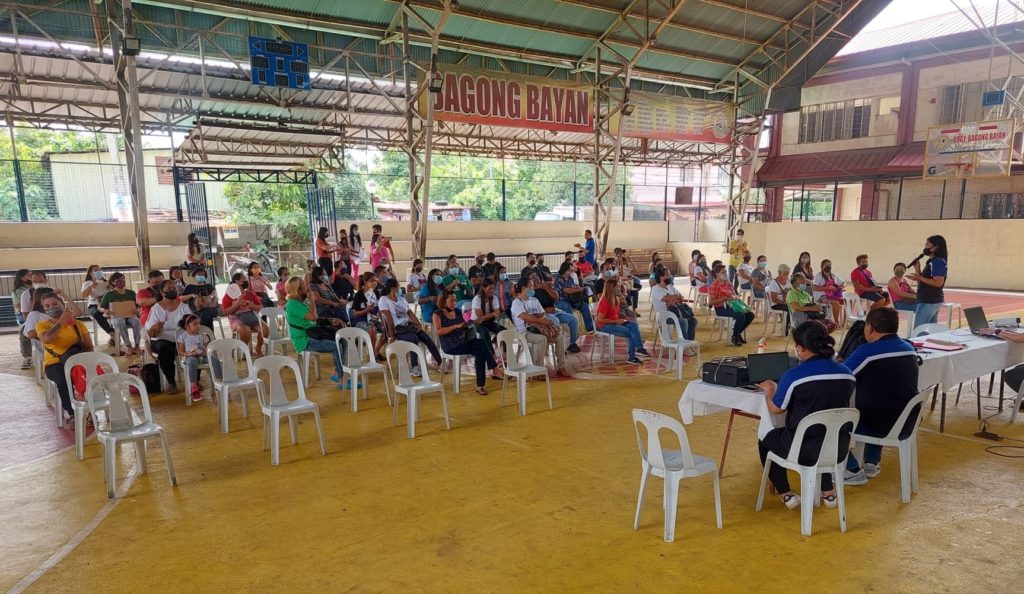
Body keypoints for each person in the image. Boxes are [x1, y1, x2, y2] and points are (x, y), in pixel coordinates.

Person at [756, 322, 855, 510]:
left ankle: (785, 493)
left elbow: (777, 409)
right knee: (823, 433)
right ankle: (828, 491)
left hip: (802, 449)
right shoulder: (847, 373)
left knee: (765, 438)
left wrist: (770, 391)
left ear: (800, 348)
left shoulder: (794, 375)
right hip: (838, 448)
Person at [840, 308, 920, 485]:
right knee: (884, 402)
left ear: (869, 328)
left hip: (877, 423)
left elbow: (840, 377)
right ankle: (872, 461)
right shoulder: (909, 348)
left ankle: (851, 469)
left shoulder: (868, 351)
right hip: (906, 421)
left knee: (833, 419)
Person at [36, 291, 94, 424]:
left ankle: (91, 409)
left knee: (91, 376)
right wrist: (61, 322)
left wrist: (83, 360)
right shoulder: (42, 325)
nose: (51, 307)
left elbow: (89, 346)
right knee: (63, 380)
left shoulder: (77, 324)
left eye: (55, 304)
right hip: (55, 363)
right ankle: (72, 413)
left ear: (63, 305)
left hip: (76, 359)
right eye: (47, 306)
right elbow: (47, 339)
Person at [433, 290, 503, 395]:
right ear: (444, 301)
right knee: (481, 344)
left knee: (480, 351)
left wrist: (469, 325)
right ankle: (494, 368)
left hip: (463, 341)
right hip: (450, 345)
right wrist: (455, 326)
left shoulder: (457, 311)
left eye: (455, 301)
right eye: (451, 301)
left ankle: (480, 386)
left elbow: (463, 325)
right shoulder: (437, 314)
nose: (454, 303)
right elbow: (439, 331)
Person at [283, 277, 347, 386]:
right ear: (298, 290)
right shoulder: (293, 304)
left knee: (343, 341)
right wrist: (311, 299)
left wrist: (330, 321)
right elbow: (313, 317)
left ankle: (337, 372)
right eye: (304, 285)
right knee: (336, 346)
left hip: (312, 334)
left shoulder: (301, 302)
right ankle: (341, 378)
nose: (306, 287)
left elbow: (314, 319)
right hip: (304, 340)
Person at [379, 278, 441, 377]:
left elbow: (410, 313)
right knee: (413, 338)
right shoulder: (384, 300)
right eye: (398, 286)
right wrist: (391, 335)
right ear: (393, 288)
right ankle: (414, 366)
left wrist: (418, 324)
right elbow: (388, 319)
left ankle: (440, 361)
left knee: (426, 337)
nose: (400, 288)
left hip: (408, 326)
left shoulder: (401, 299)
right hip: (397, 329)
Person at [144, 281, 193, 394]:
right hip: (160, 340)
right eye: (169, 289)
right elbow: (150, 334)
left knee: (194, 345)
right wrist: (156, 327)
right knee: (165, 348)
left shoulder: (184, 307)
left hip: (180, 340)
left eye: (174, 289)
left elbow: (192, 324)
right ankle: (171, 382)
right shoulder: (156, 308)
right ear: (162, 292)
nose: (173, 291)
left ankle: (195, 380)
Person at [510, 279, 567, 374]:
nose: (533, 289)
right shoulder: (517, 302)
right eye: (531, 286)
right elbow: (525, 317)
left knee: (559, 337)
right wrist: (540, 320)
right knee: (542, 339)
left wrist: (537, 319)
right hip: (524, 333)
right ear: (523, 288)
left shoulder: (534, 300)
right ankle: (538, 368)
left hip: (539, 329)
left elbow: (543, 313)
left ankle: (561, 366)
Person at [596, 278, 648, 365]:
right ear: (611, 288)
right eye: (617, 287)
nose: (619, 288)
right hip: (605, 326)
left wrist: (625, 317)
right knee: (631, 332)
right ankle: (632, 356)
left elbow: (615, 313)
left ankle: (639, 348)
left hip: (615, 322)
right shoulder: (605, 301)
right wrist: (615, 321)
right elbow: (600, 319)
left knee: (633, 325)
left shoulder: (616, 298)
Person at [531, 271, 580, 355]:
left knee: (573, 319)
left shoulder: (545, 288)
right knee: (555, 321)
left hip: (555, 312)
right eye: (533, 278)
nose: (536, 280)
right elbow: (533, 310)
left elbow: (556, 297)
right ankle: (558, 348)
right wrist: (545, 310)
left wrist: (545, 287)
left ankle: (572, 344)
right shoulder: (531, 293)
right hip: (543, 314)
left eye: (537, 278)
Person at [176, 313, 220, 402]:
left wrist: (204, 352)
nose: (198, 326)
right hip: (190, 357)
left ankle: (219, 382)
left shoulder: (203, 336)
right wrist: (189, 354)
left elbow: (209, 349)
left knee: (215, 360)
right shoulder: (183, 337)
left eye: (199, 323)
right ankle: (194, 386)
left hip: (203, 356)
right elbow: (180, 351)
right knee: (192, 362)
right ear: (187, 326)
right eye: (195, 324)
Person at [709, 263, 755, 346]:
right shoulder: (714, 286)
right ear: (717, 274)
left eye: (726, 272)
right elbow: (711, 302)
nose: (725, 274)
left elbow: (734, 294)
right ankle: (734, 337)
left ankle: (737, 333)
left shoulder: (728, 283)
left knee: (750, 315)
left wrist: (735, 297)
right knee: (740, 316)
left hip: (733, 305)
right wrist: (725, 298)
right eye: (723, 272)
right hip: (721, 308)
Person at [221, 272, 266, 356]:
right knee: (245, 330)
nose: (246, 281)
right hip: (236, 319)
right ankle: (245, 351)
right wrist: (237, 304)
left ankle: (258, 348)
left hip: (251, 317)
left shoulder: (250, 294)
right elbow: (225, 312)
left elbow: (260, 307)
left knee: (265, 329)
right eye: (243, 279)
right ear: (237, 281)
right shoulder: (228, 296)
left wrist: (250, 305)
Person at [907, 235, 947, 326]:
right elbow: (922, 282)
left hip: (929, 300)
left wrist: (919, 277)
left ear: (935, 247)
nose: (925, 247)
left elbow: (938, 283)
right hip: (927, 299)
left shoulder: (938, 262)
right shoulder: (931, 261)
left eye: (927, 245)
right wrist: (917, 269)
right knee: (929, 330)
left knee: (919, 330)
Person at [650, 266, 697, 341]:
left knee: (693, 320)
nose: (670, 277)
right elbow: (666, 298)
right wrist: (677, 298)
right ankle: (684, 342)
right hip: (664, 316)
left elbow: (681, 298)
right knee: (683, 321)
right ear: (661, 277)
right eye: (667, 275)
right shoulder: (655, 289)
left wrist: (674, 301)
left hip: (676, 313)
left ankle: (689, 342)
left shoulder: (670, 287)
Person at [100, 272, 142, 355]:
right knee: (120, 322)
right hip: (117, 316)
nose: (121, 282)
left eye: (123, 279)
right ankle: (128, 346)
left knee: (136, 322)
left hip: (131, 316)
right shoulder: (109, 295)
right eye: (118, 280)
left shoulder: (131, 293)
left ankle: (137, 345)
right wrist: (106, 311)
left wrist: (138, 310)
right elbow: (101, 307)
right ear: (113, 282)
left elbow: (139, 305)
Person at [350, 273, 385, 362]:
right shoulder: (359, 295)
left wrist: (383, 321)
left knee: (387, 330)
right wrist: (365, 310)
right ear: (365, 282)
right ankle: (372, 355)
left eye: (375, 281)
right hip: (360, 320)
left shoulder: (375, 293)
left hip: (373, 319)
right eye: (372, 281)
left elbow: (379, 309)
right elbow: (354, 314)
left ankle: (376, 350)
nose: (375, 283)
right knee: (371, 329)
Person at [553, 261, 595, 335]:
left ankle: (590, 328)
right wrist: (579, 289)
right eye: (570, 270)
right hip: (561, 300)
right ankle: (573, 330)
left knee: (584, 305)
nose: (571, 272)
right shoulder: (558, 278)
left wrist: (577, 288)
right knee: (567, 306)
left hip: (571, 299)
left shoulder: (570, 278)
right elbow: (566, 290)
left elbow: (572, 288)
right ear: (565, 270)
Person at [80, 265, 114, 346]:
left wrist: (111, 287)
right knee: (96, 314)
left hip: (106, 303)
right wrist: (91, 286)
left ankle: (114, 337)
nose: (98, 272)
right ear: (90, 273)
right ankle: (112, 334)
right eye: (95, 270)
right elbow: (84, 295)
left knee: (115, 312)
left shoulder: (106, 282)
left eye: (100, 270)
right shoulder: (87, 283)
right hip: (93, 304)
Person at [181, 266, 219, 331]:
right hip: (195, 310)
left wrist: (208, 299)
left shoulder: (208, 286)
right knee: (203, 314)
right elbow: (181, 298)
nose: (201, 276)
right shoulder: (189, 287)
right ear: (194, 275)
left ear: (205, 277)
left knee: (205, 312)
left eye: (202, 274)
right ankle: (209, 334)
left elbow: (215, 296)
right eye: (198, 274)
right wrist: (191, 295)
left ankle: (201, 332)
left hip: (210, 308)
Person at [471, 278, 504, 347]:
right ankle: (490, 352)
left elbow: (497, 313)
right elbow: (480, 319)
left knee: (503, 331)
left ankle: (504, 351)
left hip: (489, 322)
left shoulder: (494, 298)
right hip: (477, 323)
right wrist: (493, 314)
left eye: (493, 289)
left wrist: (497, 315)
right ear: (483, 288)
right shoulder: (477, 299)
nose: (492, 291)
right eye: (489, 289)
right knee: (485, 333)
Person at [812, 259, 845, 326]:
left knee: (848, 301)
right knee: (836, 302)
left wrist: (840, 286)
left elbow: (843, 283)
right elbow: (814, 288)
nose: (828, 266)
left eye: (829, 265)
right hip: (822, 297)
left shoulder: (833, 275)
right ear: (822, 266)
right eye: (826, 265)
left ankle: (844, 322)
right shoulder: (818, 276)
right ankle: (836, 322)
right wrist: (828, 288)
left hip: (834, 295)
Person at [12, 268, 33, 369]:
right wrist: (28, 317)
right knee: (25, 334)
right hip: (23, 315)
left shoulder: (33, 288)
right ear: (22, 278)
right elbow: (20, 306)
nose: (31, 277)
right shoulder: (18, 291)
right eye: (29, 275)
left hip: (34, 313)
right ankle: (27, 357)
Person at [767, 264, 792, 335]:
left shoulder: (788, 281)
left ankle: (792, 327)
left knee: (795, 307)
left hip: (786, 302)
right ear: (779, 273)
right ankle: (785, 330)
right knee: (788, 309)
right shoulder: (774, 283)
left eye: (787, 274)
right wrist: (784, 303)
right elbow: (774, 299)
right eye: (785, 274)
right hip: (776, 304)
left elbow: (791, 291)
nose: (786, 276)